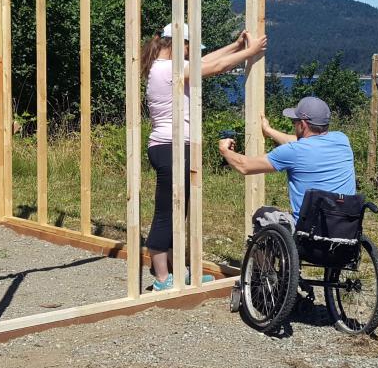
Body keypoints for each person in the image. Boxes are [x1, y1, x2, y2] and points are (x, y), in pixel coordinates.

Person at [142, 24, 267, 290]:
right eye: (188, 48)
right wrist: (250, 52)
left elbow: (205, 61)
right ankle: (163, 279)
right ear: (179, 44)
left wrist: (236, 47)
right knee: (166, 213)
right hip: (170, 148)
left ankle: (177, 272)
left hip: (169, 147)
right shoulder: (168, 69)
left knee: (178, 211)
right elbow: (216, 67)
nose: (190, 54)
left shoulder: (163, 65)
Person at [217, 96, 356, 217]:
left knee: (262, 215)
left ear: (302, 124)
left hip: (309, 231)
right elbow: (303, 143)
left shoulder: (293, 151)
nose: (294, 125)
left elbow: (244, 166)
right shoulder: (342, 139)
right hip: (345, 227)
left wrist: (225, 151)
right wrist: (269, 131)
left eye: (294, 122)